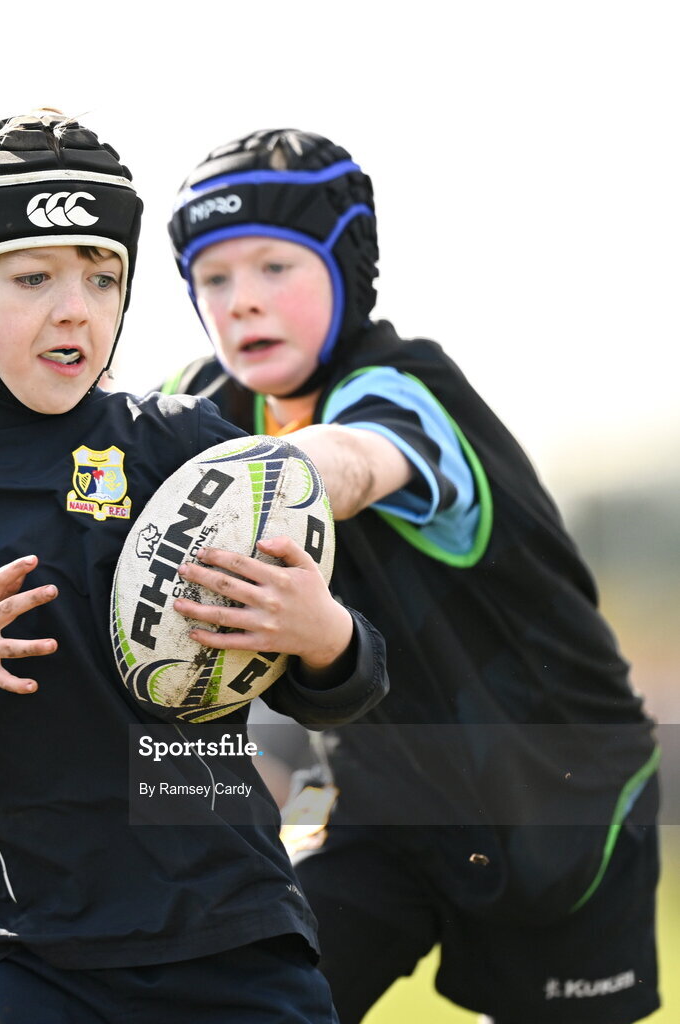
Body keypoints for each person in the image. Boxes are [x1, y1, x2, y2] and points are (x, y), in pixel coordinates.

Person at [0, 111, 389, 1024]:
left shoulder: (188, 451)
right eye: (32, 276)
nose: (74, 309)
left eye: (103, 276)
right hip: (29, 965)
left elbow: (349, 683)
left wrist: (323, 636)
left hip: (239, 942)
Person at [163, 128, 660, 1024]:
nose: (242, 302)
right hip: (380, 805)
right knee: (255, 1005)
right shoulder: (204, 412)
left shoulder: (400, 387)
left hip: (561, 800)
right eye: (215, 279)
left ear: (347, 267)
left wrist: (268, 478)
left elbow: (353, 461)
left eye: (276, 266)